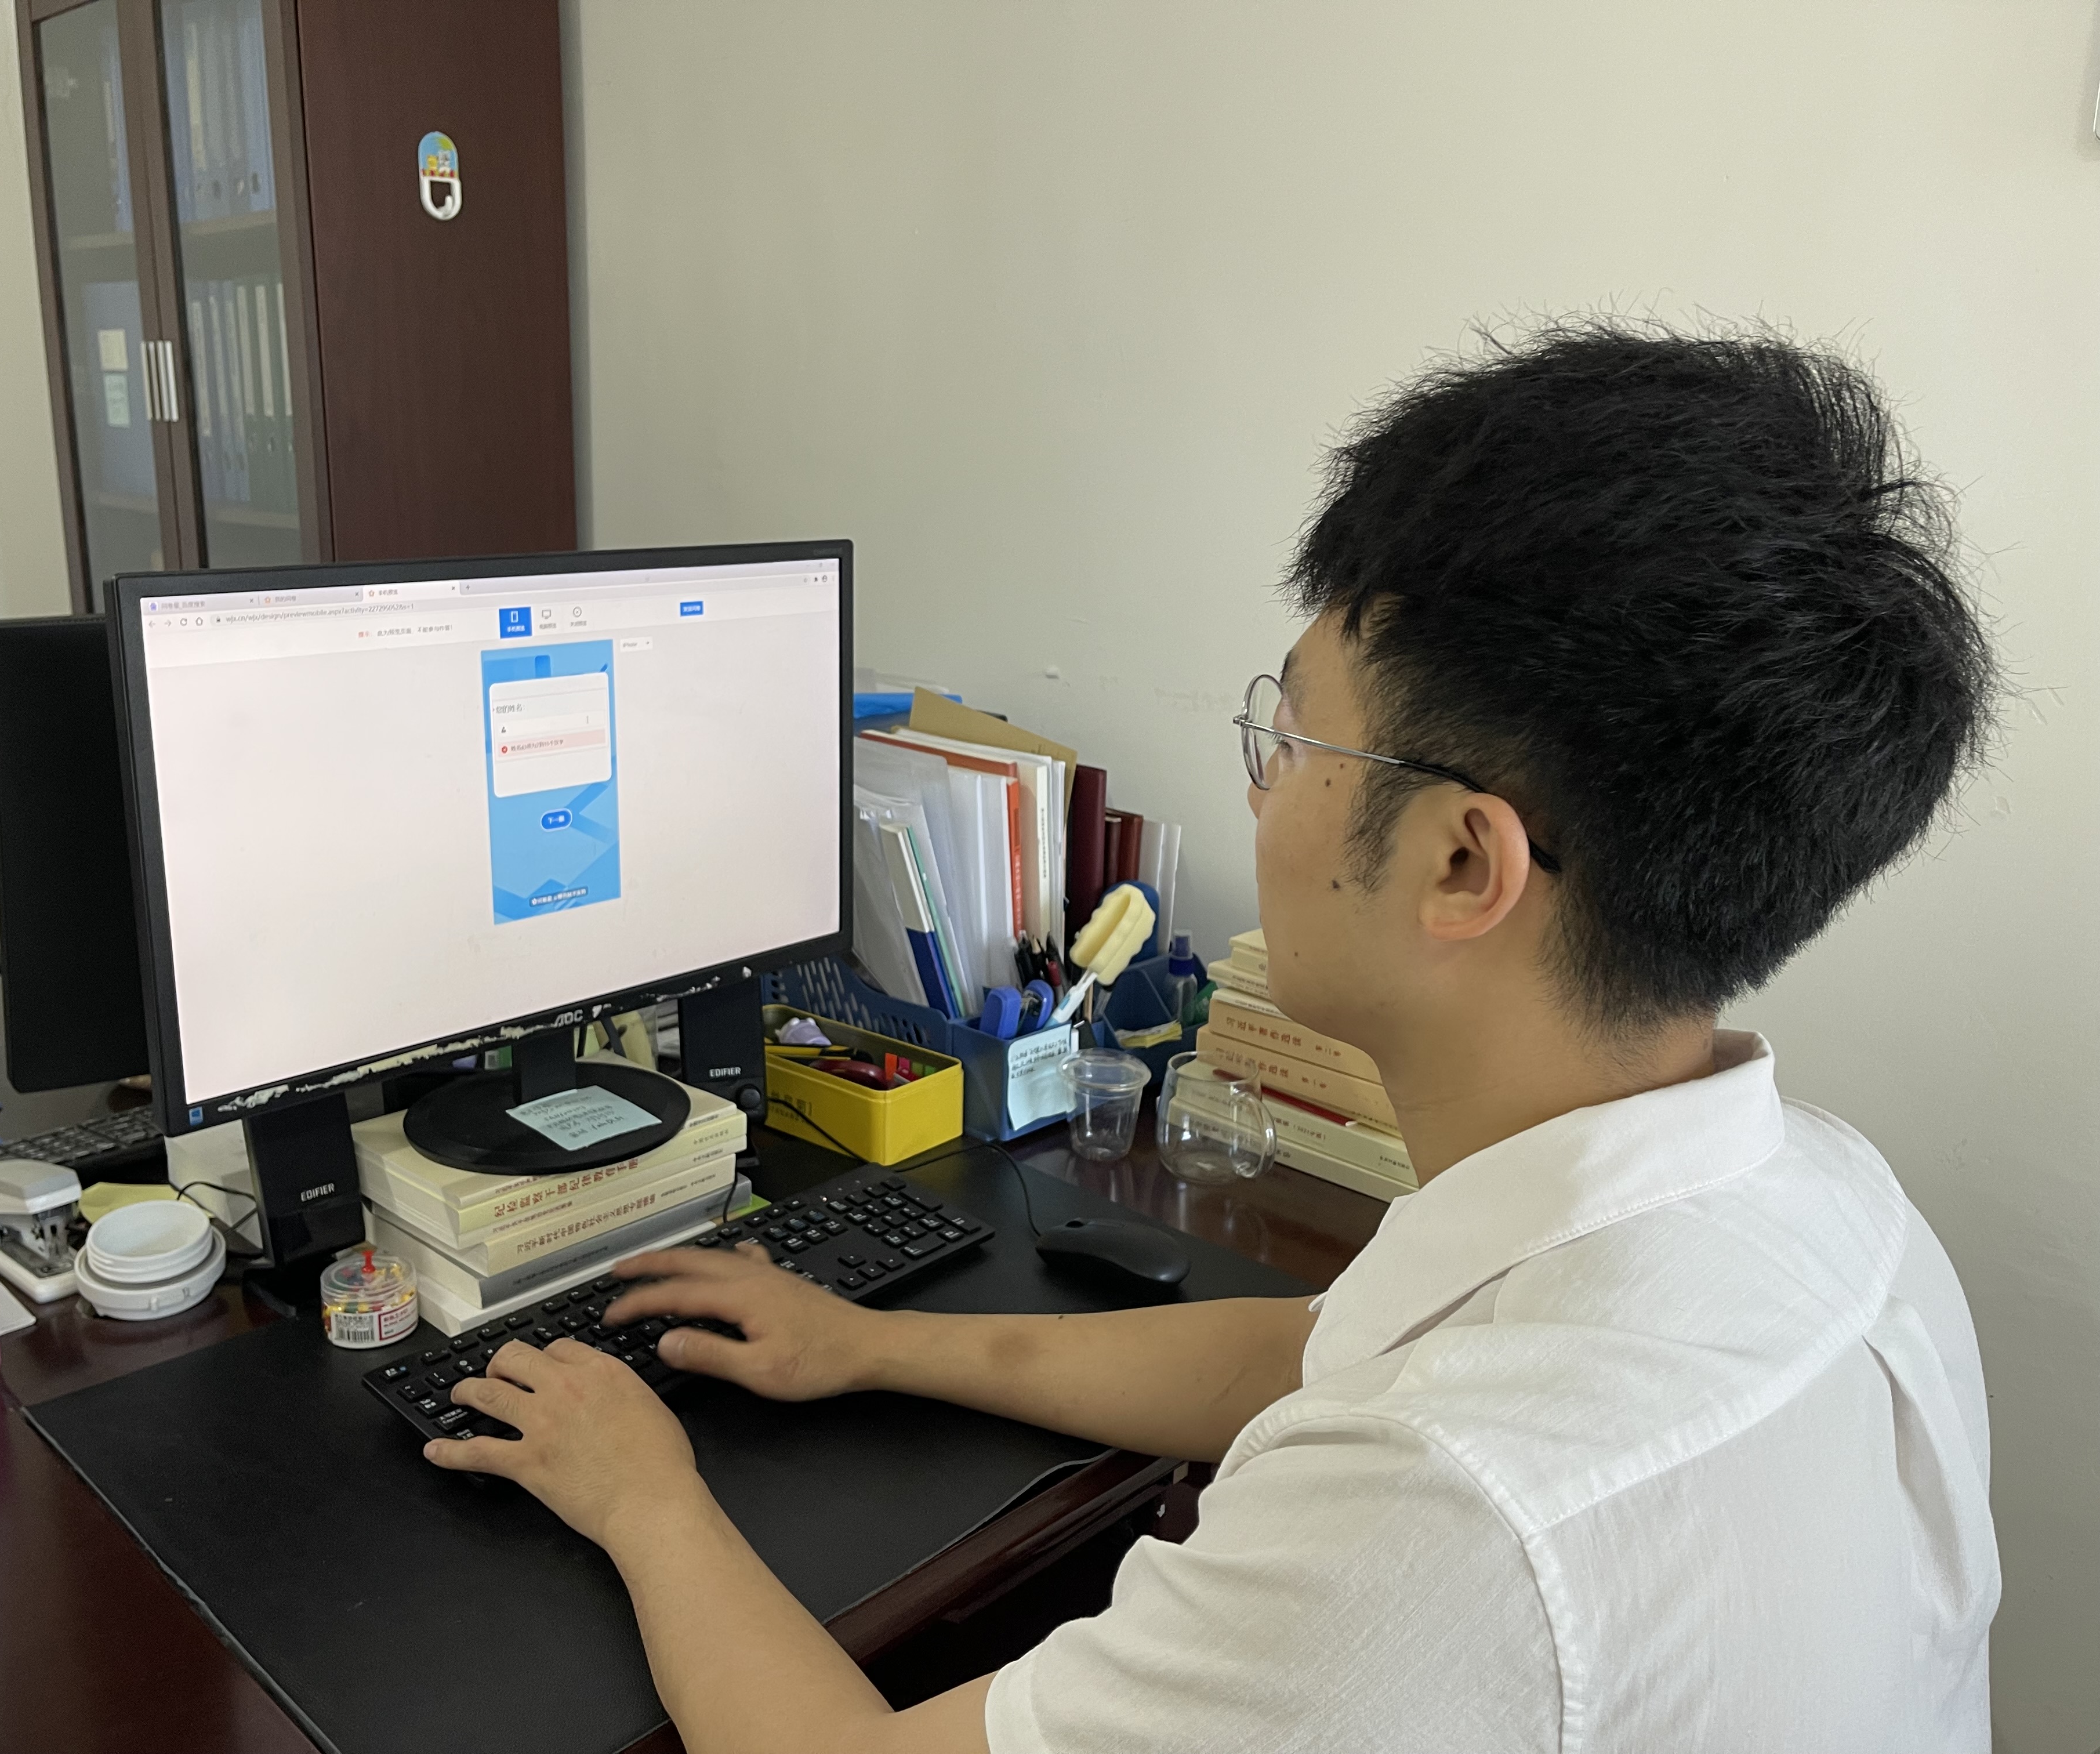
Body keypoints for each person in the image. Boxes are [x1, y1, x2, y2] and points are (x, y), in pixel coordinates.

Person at [423, 321, 2002, 1753]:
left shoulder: (1448, 1524)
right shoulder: (1834, 1212)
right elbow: (1314, 1353)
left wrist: (645, 1495)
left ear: (1465, 863)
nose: (1260, 789)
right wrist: (871, 1343)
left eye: (1291, 736)